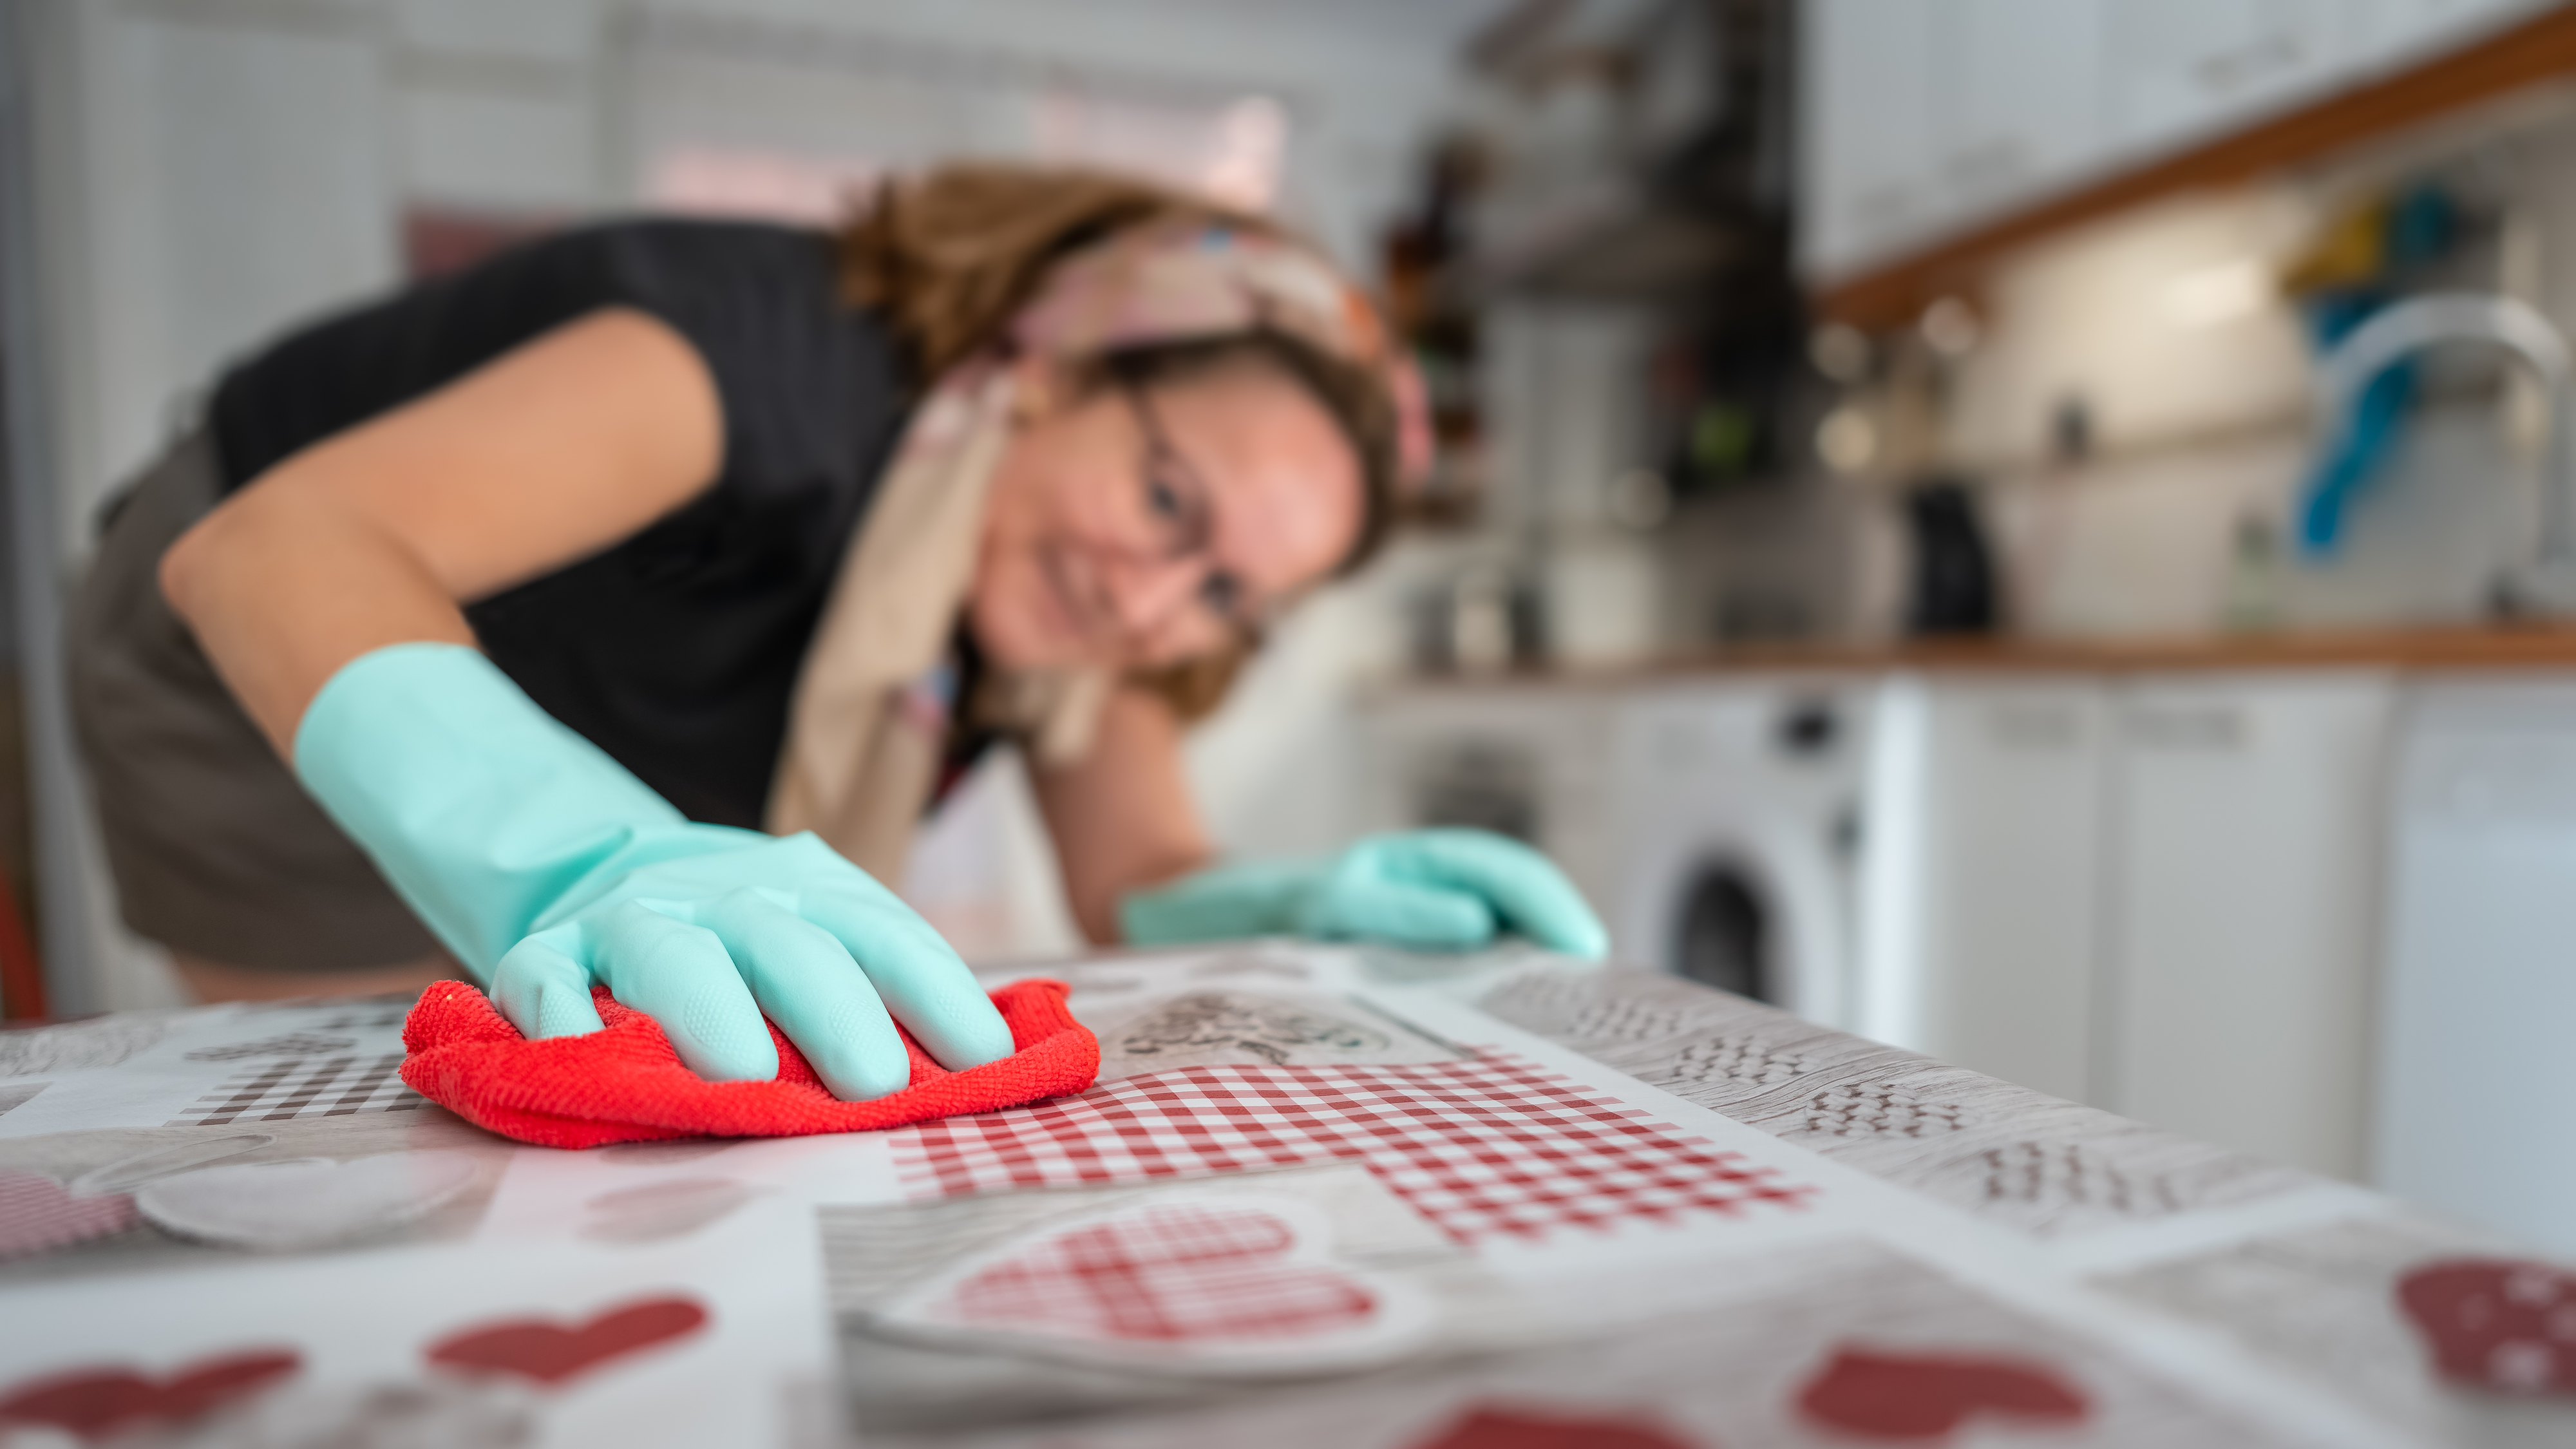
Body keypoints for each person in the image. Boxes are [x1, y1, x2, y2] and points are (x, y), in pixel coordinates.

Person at [69, 164, 1605, 1101]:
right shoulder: (766, 355)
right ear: (1061, 365)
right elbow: (276, 547)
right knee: (378, 1088)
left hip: (549, 687)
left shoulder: (1054, 589)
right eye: (1165, 501)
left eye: (1225, 598)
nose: (1153, 606)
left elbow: (1135, 874)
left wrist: (1302, 900)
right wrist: (572, 852)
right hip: (258, 645)